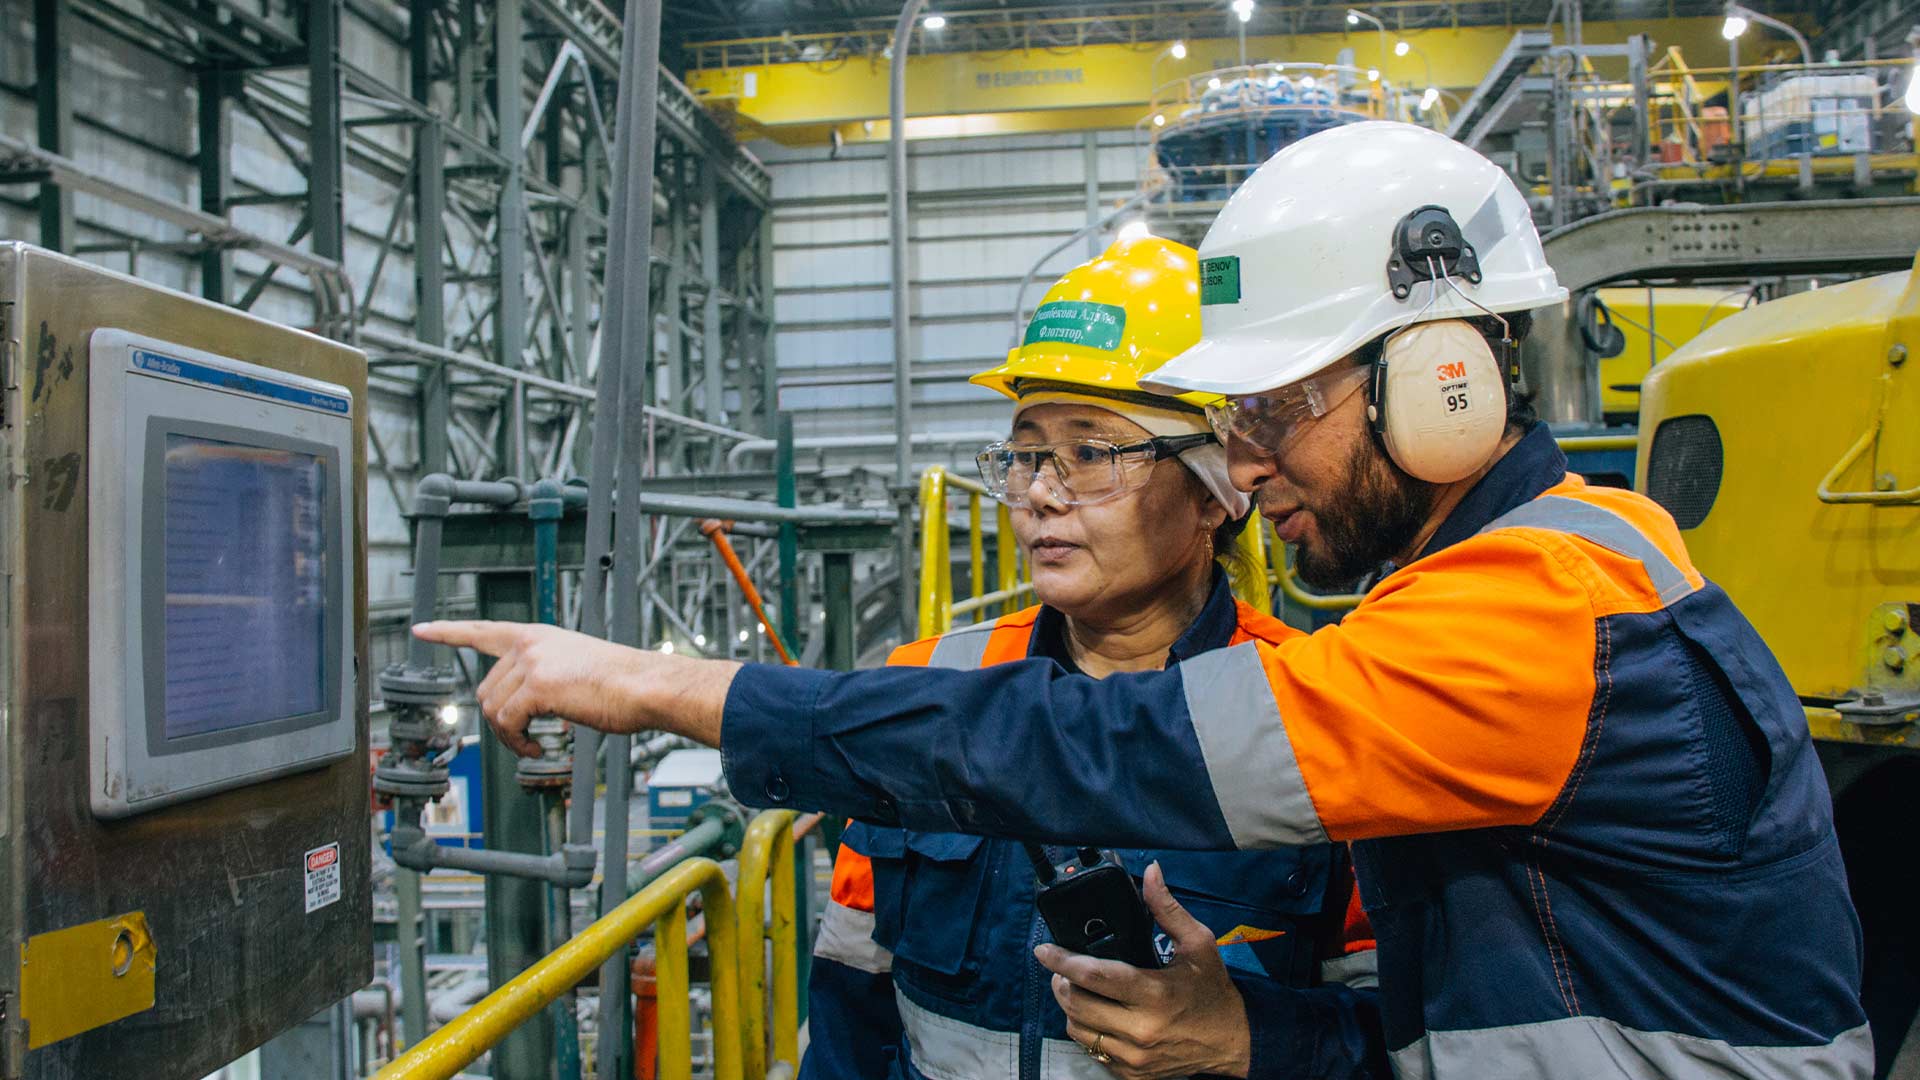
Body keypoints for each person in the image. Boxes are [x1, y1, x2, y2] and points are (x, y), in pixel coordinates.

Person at [417, 122, 1869, 1078]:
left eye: (1276, 414)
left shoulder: (1529, 611)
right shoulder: (1534, 579)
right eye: (1026, 454)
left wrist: (667, 684)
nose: (1252, 464)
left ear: (1440, 381)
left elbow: (1106, 748)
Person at [800, 236, 1386, 1080]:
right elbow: (853, 995)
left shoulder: (1315, 710)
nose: (1040, 491)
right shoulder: (927, 685)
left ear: (1215, 493)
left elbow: (1387, 1029)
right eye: (1027, 453)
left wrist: (1243, 1035)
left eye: (1092, 453)